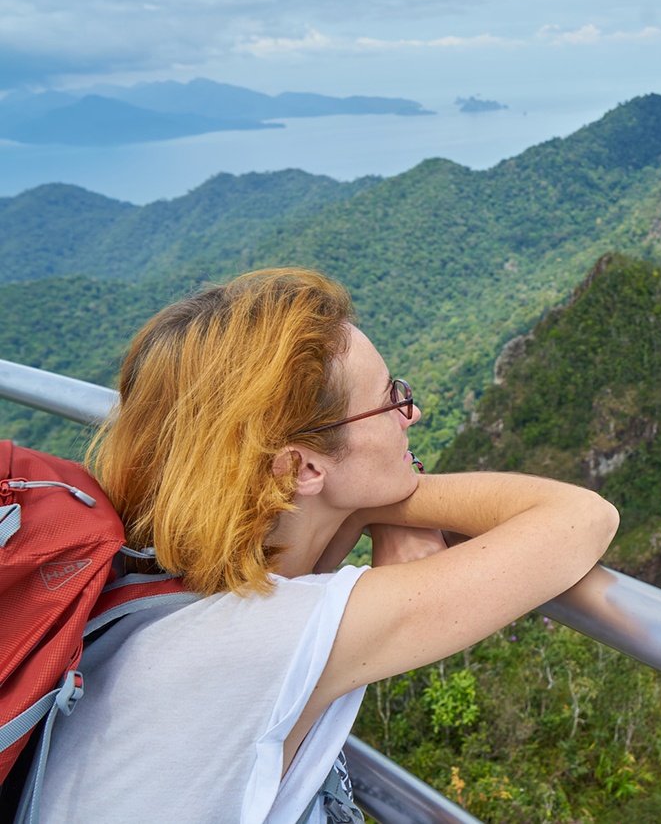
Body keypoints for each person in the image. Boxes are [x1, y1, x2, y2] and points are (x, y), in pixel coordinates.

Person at [35, 268, 618, 822]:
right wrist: (387, 502)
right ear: (301, 468)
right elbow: (583, 518)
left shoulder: (148, 575)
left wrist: (360, 500)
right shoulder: (268, 635)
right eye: (391, 400)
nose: (413, 413)